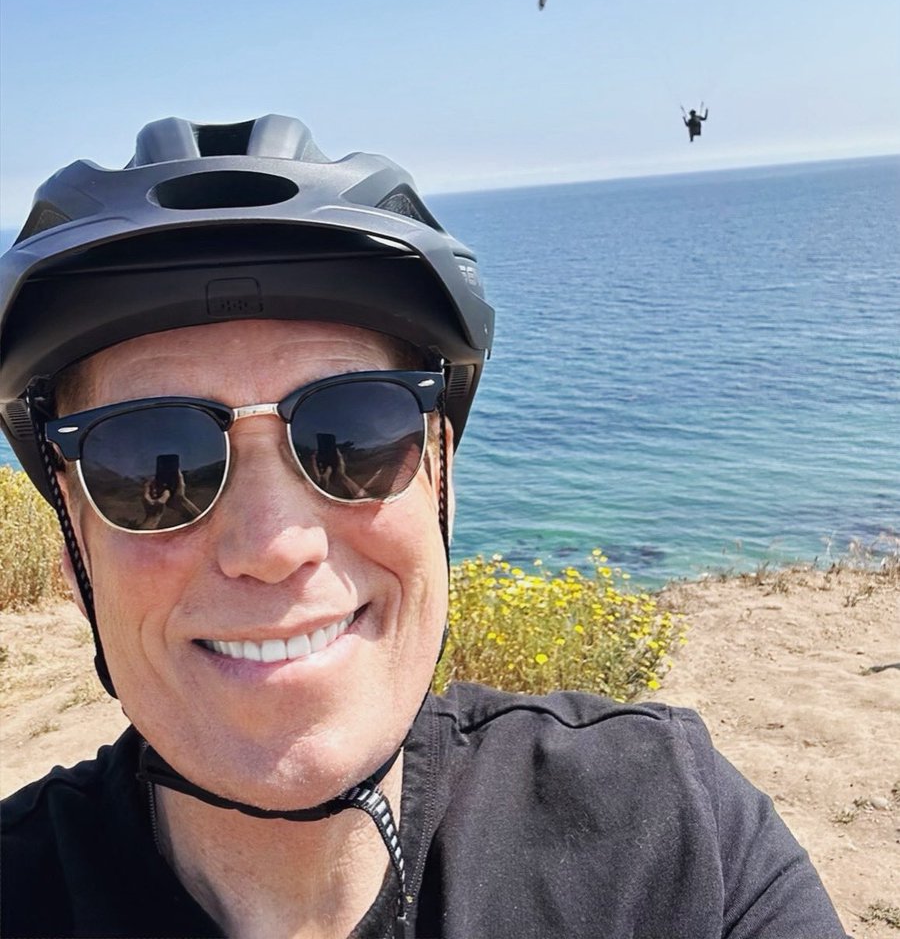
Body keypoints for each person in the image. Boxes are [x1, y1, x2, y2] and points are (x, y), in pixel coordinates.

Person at [0, 113, 848, 938]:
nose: (273, 547)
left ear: (443, 477)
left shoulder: (672, 841)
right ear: (75, 555)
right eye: (156, 462)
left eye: (354, 436)